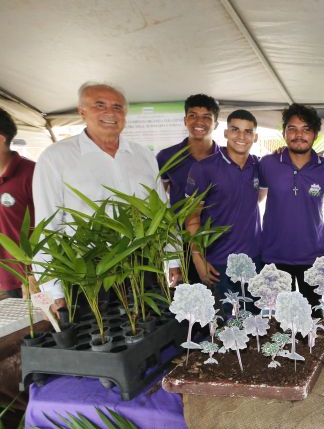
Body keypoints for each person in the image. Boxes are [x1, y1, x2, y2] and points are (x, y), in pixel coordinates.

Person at [33, 82, 180, 313]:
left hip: (142, 264)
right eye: (99, 105)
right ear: (82, 111)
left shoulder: (142, 155)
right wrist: (53, 290)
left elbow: (161, 211)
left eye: (118, 107)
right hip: (88, 271)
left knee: (149, 332)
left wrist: (173, 259)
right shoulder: (56, 158)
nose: (110, 113)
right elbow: (47, 226)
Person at [185, 109, 265, 313]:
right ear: (226, 133)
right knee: (227, 329)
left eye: (248, 132)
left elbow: (258, 198)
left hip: (254, 259)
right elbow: (191, 218)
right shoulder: (204, 168)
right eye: (235, 130)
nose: (241, 136)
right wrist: (198, 258)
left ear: (255, 137)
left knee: (256, 324)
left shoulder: (258, 165)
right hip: (219, 262)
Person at [258, 104, 324, 308]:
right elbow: (255, 199)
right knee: (279, 323)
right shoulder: (267, 163)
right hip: (274, 256)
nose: (298, 135)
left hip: (312, 256)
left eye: (306, 129)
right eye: (292, 128)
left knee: (315, 320)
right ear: (284, 132)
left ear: (316, 134)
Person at [156, 94, 221, 206]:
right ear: (185, 120)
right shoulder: (166, 156)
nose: (199, 121)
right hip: (178, 223)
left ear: (216, 124)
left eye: (206, 117)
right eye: (193, 115)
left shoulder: (226, 159)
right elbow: (159, 199)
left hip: (218, 224)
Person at [0, 107, 35, 299]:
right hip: (5, 279)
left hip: (32, 280)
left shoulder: (32, 174)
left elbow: (51, 227)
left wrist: (33, 275)